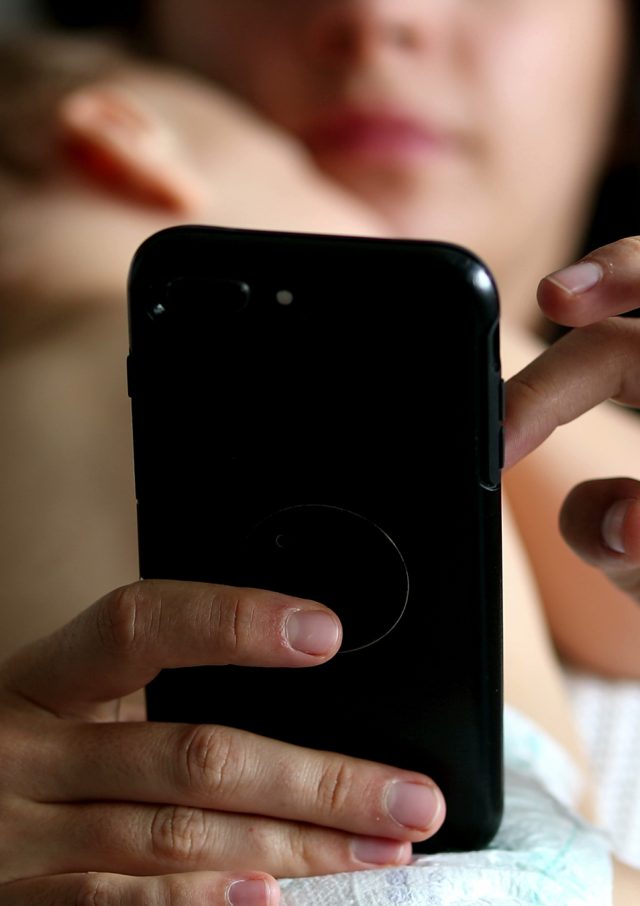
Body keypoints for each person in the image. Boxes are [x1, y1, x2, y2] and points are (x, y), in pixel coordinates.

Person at [0, 1, 640, 902]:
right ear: (125, 144)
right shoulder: (132, 327)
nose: (377, 18)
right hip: (442, 839)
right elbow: (620, 605)